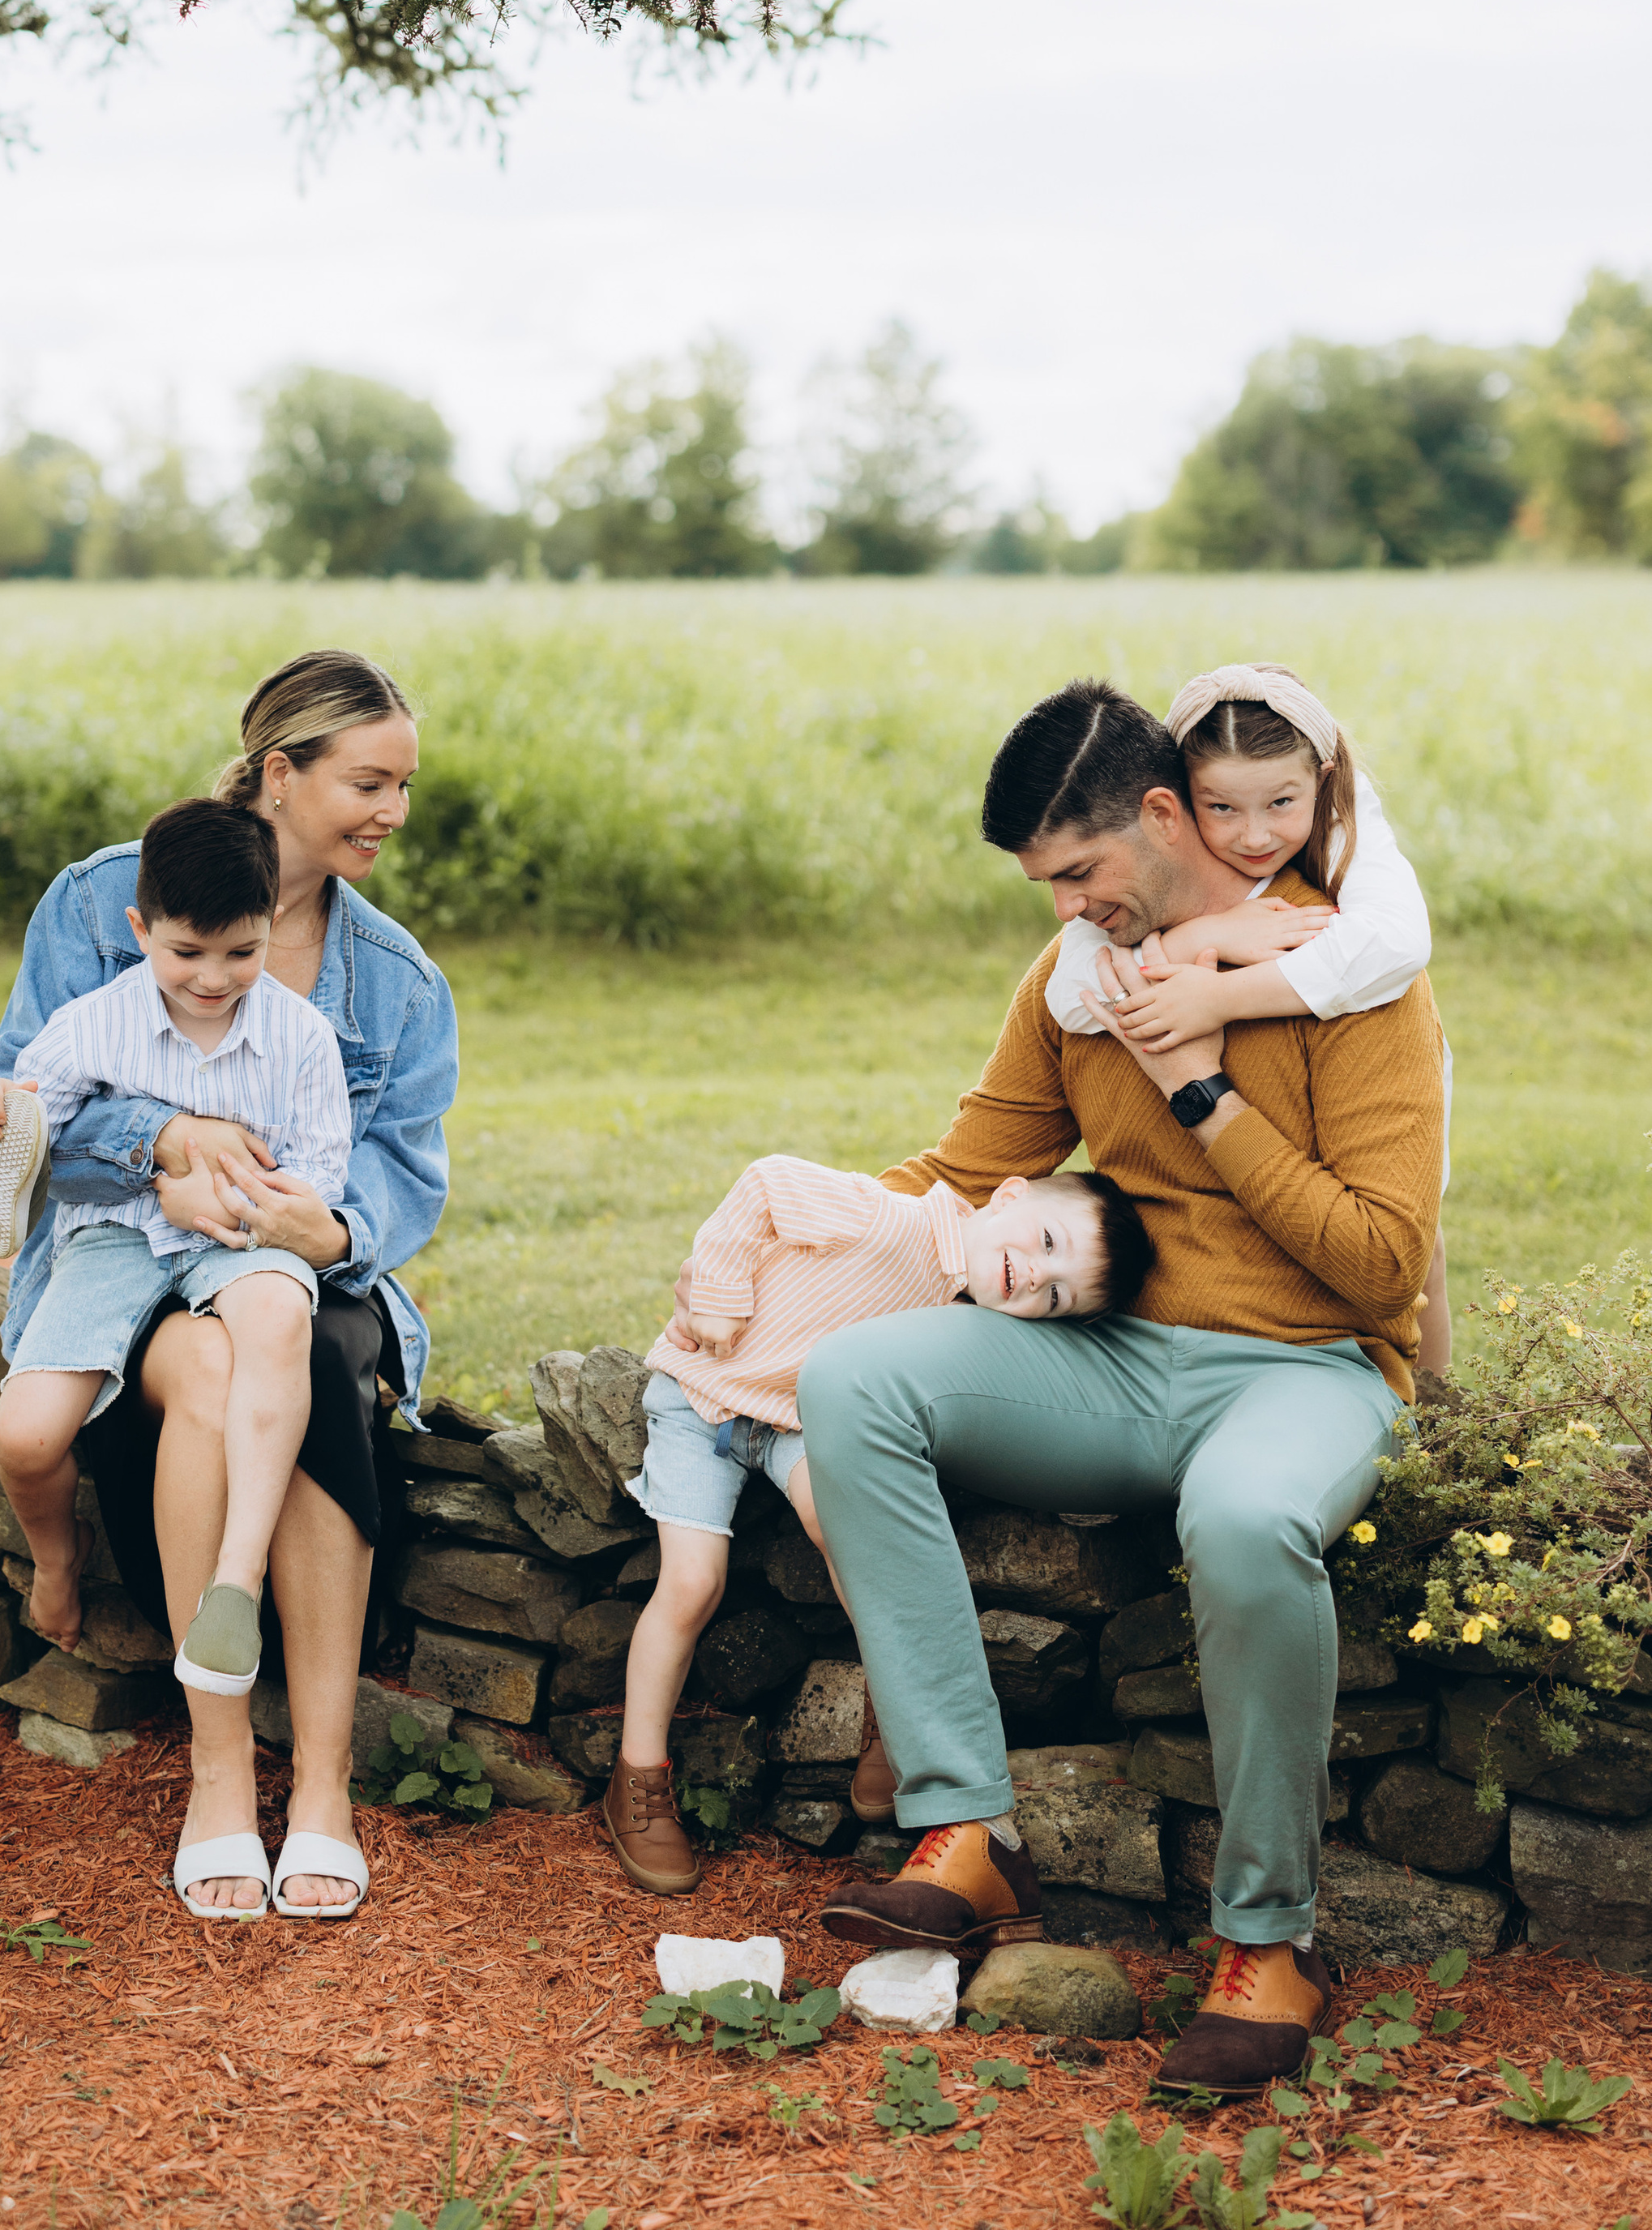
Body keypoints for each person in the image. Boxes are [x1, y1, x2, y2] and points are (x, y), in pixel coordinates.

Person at [761, 679, 1440, 2097]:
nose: (1067, 908)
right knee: (857, 1378)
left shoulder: (1345, 971)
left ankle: (1269, 1941)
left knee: (1252, 1525)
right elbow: (956, 1171)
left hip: (1306, 1368)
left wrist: (1206, 1094)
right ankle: (968, 1835)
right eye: (1044, 887)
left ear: (1156, 815)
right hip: (1115, 1366)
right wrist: (781, 1225)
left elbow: (1383, 1270)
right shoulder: (1075, 979)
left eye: (1080, 873)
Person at [0, 649, 456, 1920]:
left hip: (298, 1265)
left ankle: (327, 1793)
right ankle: (223, 1775)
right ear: (280, 774)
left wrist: (326, 1232)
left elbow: (404, 1181)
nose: (391, 814)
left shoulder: (396, 980)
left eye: (404, 786)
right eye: (368, 782)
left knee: (307, 1366)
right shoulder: (103, 901)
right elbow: (21, 1106)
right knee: (203, 1375)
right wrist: (161, 1145)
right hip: (126, 1247)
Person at [602, 1153, 1155, 1894]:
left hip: (798, 1424)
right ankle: (638, 1778)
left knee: (852, 1529)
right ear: (1010, 1192)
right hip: (704, 1392)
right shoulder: (893, 1218)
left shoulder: (972, 1321)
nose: (1034, 1274)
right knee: (693, 1581)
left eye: (1055, 1295)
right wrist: (721, 1289)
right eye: (1046, 1242)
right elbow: (766, 1183)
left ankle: (894, 1712)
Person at [0, 801, 351, 1770]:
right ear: (140, 931)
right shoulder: (93, 1025)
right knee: (26, 1433)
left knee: (273, 1313)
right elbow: (33, 1141)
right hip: (118, 1239)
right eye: (187, 955)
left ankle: (235, 1574)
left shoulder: (299, 1036)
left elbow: (318, 1179)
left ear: (271, 928)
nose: (214, 980)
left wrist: (246, 1210)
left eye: (241, 954)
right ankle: (58, 1559)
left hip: (240, 1231)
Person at [1043, 658, 1453, 1374]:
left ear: (1323, 781)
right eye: (1222, 808)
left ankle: (1437, 1406)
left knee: (1418, 1237)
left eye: (1280, 805)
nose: (1254, 836)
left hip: (1381, 1043)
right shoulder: (1152, 867)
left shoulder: (1350, 819)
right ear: (1172, 803)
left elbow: (1397, 943)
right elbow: (1066, 995)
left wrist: (1220, 997)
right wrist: (1201, 940)